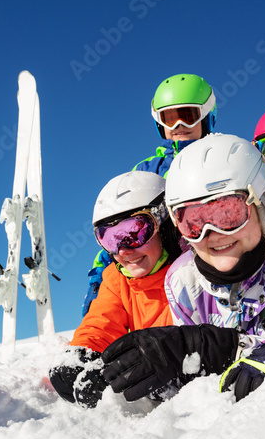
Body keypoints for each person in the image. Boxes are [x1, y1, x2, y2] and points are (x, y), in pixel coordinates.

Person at [101, 133, 265, 402]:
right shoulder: (183, 280)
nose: (212, 234)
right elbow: (199, 391)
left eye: (228, 213)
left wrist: (224, 348)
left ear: (263, 205)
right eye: (194, 221)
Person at [81, 73, 217, 316]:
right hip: (162, 262)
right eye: (169, 119)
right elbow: (121, 219)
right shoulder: (148, 170)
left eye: (187, 117)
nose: (178, 127)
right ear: (159, 123)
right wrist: (99, 272)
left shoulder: (222, 158)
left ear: (206, 116)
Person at [49, 171, 183, 408]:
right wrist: (82, 354)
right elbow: (102, 321)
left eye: (134, 232)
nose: (123, 251)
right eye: (110, 239)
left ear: (166, 224)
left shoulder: (192, 268)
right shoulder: (116, 277)